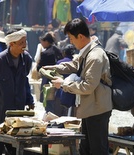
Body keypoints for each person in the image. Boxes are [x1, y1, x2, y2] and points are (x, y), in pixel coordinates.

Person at [43, 18, 112, 155]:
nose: (70, 41)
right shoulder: (86, 51)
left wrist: (63, 84)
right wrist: (54, 68)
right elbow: (74, 65)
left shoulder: (95, 56)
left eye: (71, 38)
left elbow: (88, 86)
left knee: (97, 150)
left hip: (97, 109)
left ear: (80, 36)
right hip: (89, 108)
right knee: (85, 149)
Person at [0, 29, 34, 155]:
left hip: (17, 113)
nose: (24, 46)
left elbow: (24, 80)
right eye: (21, 43)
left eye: (25, 42)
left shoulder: (26, 59)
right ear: (11, 44)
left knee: (15, 148)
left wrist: (29, 100)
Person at [37, 31, 63, 113]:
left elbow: (39, 67)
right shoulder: (59, 50)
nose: (41, 44)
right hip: (58, 77)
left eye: (42, 42)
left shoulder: (45, 53)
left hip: (47, 78)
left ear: (46, 41)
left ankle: (49, 114)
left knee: (48, 98)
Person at [54, 44, 76, 116]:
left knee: (58, 115)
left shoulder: (60, 63)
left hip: (61, 90)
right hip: (72, 92)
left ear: (64, 53)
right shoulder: (76, 63)